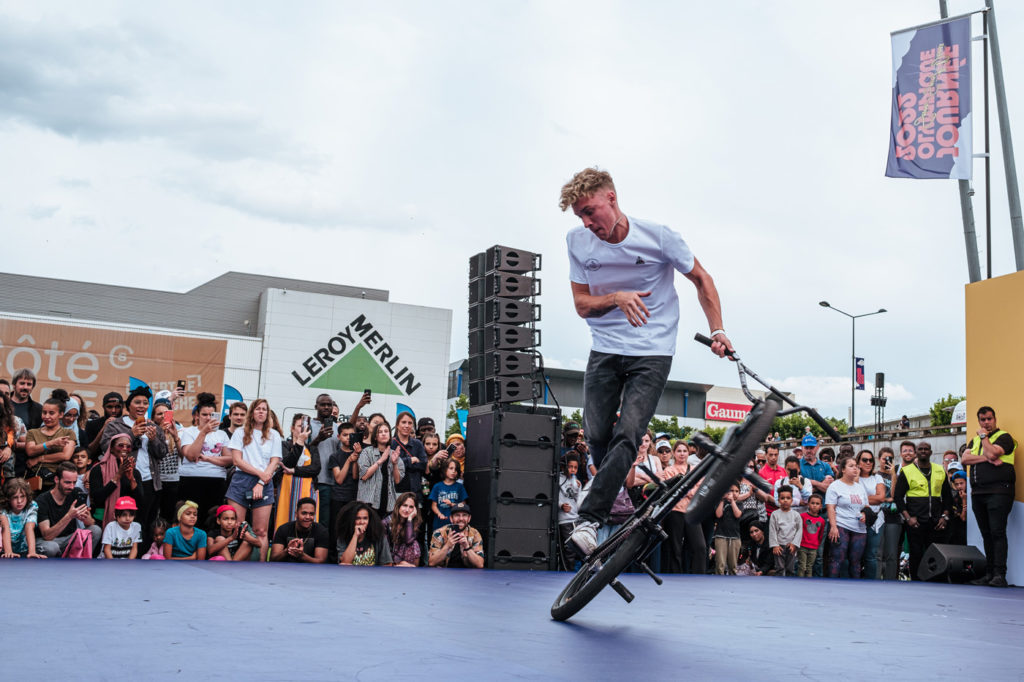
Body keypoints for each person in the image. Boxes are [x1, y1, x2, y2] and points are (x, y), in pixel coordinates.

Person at [561, 168, 732, 556]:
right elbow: (581, 305)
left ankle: (591, 518)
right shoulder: (577, 242)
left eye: (590, 212)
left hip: (653, 350)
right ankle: (618, 495)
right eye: (580, 217)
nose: (587, 223)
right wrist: (617, 297)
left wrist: (718, 330)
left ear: (611, 199)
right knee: (597, 434)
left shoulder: (657, 237)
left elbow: (702, 279)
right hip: (605, 347)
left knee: (630, 433)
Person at [99, 386, 169, 540]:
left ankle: (141, 555)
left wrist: (154, 439)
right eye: (137, 402)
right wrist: (131, 434)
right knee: (122, 518)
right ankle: (118, 550)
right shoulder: (116, 425)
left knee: (145, 520)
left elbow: (162, 453)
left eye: (145, 403)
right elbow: (106, 447)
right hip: (123, 478)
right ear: (128, 405)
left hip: (149, 480)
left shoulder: (154, 427)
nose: (142, 406)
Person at [962, 406, 1016, 588]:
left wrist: (985, 438)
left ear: (995, 419)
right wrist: (988, 458)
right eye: (983, 420)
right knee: (986, 534)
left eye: (989, 419)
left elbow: (993, 452)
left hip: (999, 492)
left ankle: (1000, 575)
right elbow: (964, 460)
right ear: (979, 421)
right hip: (978, 493)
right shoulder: (974, 440)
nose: (986, 423)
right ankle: (989, 574)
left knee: (997, 533)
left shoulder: (1004, 437)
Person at [225, 399, 282, 561]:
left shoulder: (274, 435)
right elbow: (237, 461)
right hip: (242, 480)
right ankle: (236, 563)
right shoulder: (240, 432)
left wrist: (261, 482)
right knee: (237, 527)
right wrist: (260, 474)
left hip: (265, 482)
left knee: (261, 531)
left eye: (264, 409)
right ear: (252, 412)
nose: (261, 412)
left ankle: (261, 564)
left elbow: (275, 461)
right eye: (258, 409)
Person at [893, 441, 952, 581]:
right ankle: (916, 582)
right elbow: (898, 497)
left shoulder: (939, 470)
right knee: (916, 554)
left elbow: (948, 498)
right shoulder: (907, 471)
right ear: (916, 453)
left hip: (936, 522)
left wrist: (944, 517)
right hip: (916, 521)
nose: (924, 451)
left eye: (926, 449)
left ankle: (936, 581)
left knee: (936, 554)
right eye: (920, 449)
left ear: (931, 452)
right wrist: (908, 518)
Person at [179, 393, 232, 523]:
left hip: (216, 480)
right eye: (204, 414)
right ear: (197, 415)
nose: (208, 418)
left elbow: (229, 460)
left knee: (212, 519)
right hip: (191, 479)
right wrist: (203, 432)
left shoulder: (222, 434)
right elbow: (191, 455)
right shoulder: (189, 432)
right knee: (190, 518)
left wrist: (208, 459)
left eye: (211, 415)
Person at [35, 461, 101, 557]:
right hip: (48, 541)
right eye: (67, 482)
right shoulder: (42, 500)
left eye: (74, 482)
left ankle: (81, 562)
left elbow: (90, 524)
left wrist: (85, 517)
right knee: (51, 548)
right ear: (56, 479)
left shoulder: (76, 493)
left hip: (69, 539)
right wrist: (69, 516)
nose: (72, 487)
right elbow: (47, 536)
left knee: (95, 530)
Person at [826, 455, 871, 579]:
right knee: (837, 559)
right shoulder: (835, 486)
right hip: (841, 525)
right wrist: (833, 527)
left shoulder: (860, 488)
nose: (855, 469)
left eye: (856, 466)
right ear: (843, 469)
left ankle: (855, 589)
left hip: (859, 528)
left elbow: (866, 506)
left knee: (856, 562)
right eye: (851, 466)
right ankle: (831, 587)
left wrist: (865, 514)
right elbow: (830, 508)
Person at [88, 433, 143, 528]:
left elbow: (140, 500)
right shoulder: (98, 469)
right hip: (103, 517)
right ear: (111, 448)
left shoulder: (134, 472)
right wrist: (117, 476)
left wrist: (131, 479)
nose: (125, 448)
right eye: (121, 445)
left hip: (127, 519)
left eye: (128, 446)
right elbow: (97, 498)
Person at [24, 397, 76, 492]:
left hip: (57, 482)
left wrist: (39, 459)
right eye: (44, 412)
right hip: (35, 480)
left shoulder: (68, 433)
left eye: (51, 413)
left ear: (60, 414)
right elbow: (30, 451)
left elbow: (65, 455)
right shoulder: (33, 432)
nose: (47, 416)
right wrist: (51, 443)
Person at [357, 421, 405, 520]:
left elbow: (397, 480)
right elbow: (364, 476)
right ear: (375, 436)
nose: (383, 433)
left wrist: (395, 463)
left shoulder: (394, 453)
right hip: (369, 501)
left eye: (386, 431)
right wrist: (381, 460)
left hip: (388, 500)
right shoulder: (367, 452)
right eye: (380, 432)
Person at [270, 496, 329, 563]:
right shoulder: (283, 529)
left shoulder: (321, 531)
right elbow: (273, 559)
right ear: (296, 514)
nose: (307, 517)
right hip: (286, 570)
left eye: (311, 514)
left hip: (311, 572)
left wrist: (302, 556)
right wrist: (287, 550)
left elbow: (321, 562)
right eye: (304, 513)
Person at [857, 449, 886, 579]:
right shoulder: (853, 478)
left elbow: (881, 498)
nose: (868, 462)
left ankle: (871, 583)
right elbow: (849, 496)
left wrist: (859, 498)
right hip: (856, 520)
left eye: (870, 460)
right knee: (855, 555)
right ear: (858, 461)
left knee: (871, 555)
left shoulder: (877, 477)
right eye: (864, 460)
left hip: (876, 520)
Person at [428, 501, 484, 568]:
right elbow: (431, 562)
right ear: (451, 518)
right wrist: (448, 545)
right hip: (443, 574)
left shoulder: (475, 534)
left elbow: (480, 565)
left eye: (464, 515)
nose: (461, 519)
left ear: (469, 518)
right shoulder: (439, 533)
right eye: (457, 515)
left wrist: (467, 547)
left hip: (468, 575)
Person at [337, 501, 392, 566]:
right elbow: (345, 563)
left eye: (365, 518)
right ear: (351, 520)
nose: (362, 522)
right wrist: (355, 536)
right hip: (350, 575)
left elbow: (387, 564)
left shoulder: (379, 535)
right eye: (358, 518)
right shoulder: (343, 536)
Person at [1, 478, 44, 558]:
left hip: (24, 548)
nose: (19, 501)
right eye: (15, 497)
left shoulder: (32, 506)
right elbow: (5, 529)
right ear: (8, 498)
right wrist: (9, 552)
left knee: (50, 547)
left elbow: (29, 527)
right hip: (5, 549)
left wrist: (32, 552)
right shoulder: (3, 510)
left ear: (27, 496)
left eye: (22, 496)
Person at [877, 446, 903, 581]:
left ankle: (891, 580)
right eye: (884, 458)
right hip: (878, 517)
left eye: (890, 459)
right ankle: (875, 580)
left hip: (893, 517)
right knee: (878, 553)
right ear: (879, 459)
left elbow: (895, 495)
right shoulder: (875, 475)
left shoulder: (897, 475)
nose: (886, 461)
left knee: (892, 554)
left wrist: (893, 474)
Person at [557, 453, 583, 570]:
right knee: (568, 549)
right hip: (564, 520)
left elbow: (578, 501)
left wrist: (578, 488)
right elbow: (555, 497)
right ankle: (566, 571)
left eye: (575, 467)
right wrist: (561, 505)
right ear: (564, 466)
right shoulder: (558, 479)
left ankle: (573, 571)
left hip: (575, 519)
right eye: (570, 466)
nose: (573, 470)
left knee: (577, 548)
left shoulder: (576, 482)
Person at [392, 411, 426, 499]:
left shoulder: (418, 444)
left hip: (415, 492)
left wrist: (400, 463)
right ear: (397, 425)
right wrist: (410, 460)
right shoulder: (391, 444)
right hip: (395, 491)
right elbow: (389, 465)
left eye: (410, 423)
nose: (407, 426)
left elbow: (423, 464)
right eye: (403, 422)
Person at [383, 492, 422, 567]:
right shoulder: (386, 523)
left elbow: (409, 541)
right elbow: (385, 549)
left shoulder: (414, 522)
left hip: (404, 559)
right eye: (404, 505)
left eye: (411, 507)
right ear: (398, 506)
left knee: (414, 544)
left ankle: (412, 570)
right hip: (388, 559)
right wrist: (395, 564)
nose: (407, 510)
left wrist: (409, 519)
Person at [768, 486, 800, 576]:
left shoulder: (796, 515)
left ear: (792, 500)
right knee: (779, 568)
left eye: (788, 498)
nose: (785, 500)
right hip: (779, 546)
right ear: (778, 500)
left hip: (791, 546)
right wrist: (775, 545)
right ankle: (779, 587)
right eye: (782, 498)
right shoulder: (775, 514)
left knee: (790, 569)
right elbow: (772, 530)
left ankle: (790, 588)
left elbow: (799, 531)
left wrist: (794, 544)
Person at [428, 459, 468, 532]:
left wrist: (452, 504)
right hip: (439, 523)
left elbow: (463, 505)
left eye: (456, 469)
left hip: (455, 524)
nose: (453, 471)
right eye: (451, 468)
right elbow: (433, 505)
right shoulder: (437, 486)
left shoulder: (460, 487)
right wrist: (439, 514)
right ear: (444, 469)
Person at [713, 483, 743, 575]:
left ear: (739, 493)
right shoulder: (720, 502)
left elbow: (737, 514)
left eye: (736, 491)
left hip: (735, 537)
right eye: (731, 490)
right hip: (721, 536)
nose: (733, 493)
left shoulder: (739, 504)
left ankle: (732, 584)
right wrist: (722, 500)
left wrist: (732, 502)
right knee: (720, 564)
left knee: (733, 565)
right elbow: (718, 515)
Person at [797, 494, 826, 578]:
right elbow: (798, 530)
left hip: (813, 548)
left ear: (821, 506)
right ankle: (799, 583)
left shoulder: (821, 521)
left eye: (817, 504)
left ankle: (808, 585)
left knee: (809, 567)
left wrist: (816, 544)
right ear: (808, 504)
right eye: (812, 503)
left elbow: (821, 535)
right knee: (802, 566)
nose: (814, 505)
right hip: (802, 546)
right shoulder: (802, 516)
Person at [948, 469, 969, 546]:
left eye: (961, 483)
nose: (959, 486)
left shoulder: (974, 495)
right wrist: (964, 500)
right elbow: (963, 518)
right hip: (961, 533)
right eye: (957, 484)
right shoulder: (956, 498)